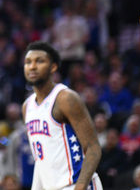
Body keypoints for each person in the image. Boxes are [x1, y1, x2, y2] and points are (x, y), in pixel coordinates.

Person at [22, 41, 102, 190]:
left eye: (39, 61)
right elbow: (40, 159)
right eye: (28, 62)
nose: (32, 66)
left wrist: (81, 186)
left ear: (53, 67)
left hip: (75, 184)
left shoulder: (65, 98)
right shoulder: (27, 107)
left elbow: (93, 148)